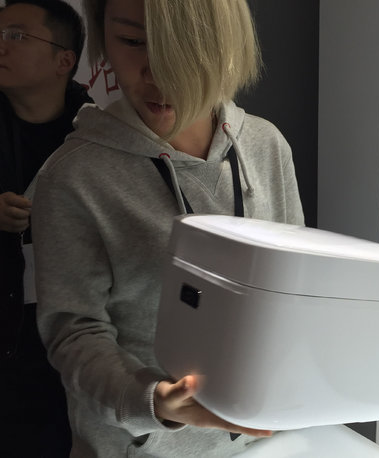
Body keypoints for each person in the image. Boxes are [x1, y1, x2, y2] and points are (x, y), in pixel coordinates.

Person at [32, 0, 304, 456]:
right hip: (140, 444)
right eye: (132, 41)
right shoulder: (75, 175)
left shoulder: (266, 145)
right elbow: (74, 332)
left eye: (186, 45)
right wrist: (153, 401)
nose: (157, 73)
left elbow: (295, 288)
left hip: (262, 439)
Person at [0, 0, 92, 456]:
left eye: (16, 36)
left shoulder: (98, 136)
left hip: (63, 349)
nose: (1, 46)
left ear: (64, 60)